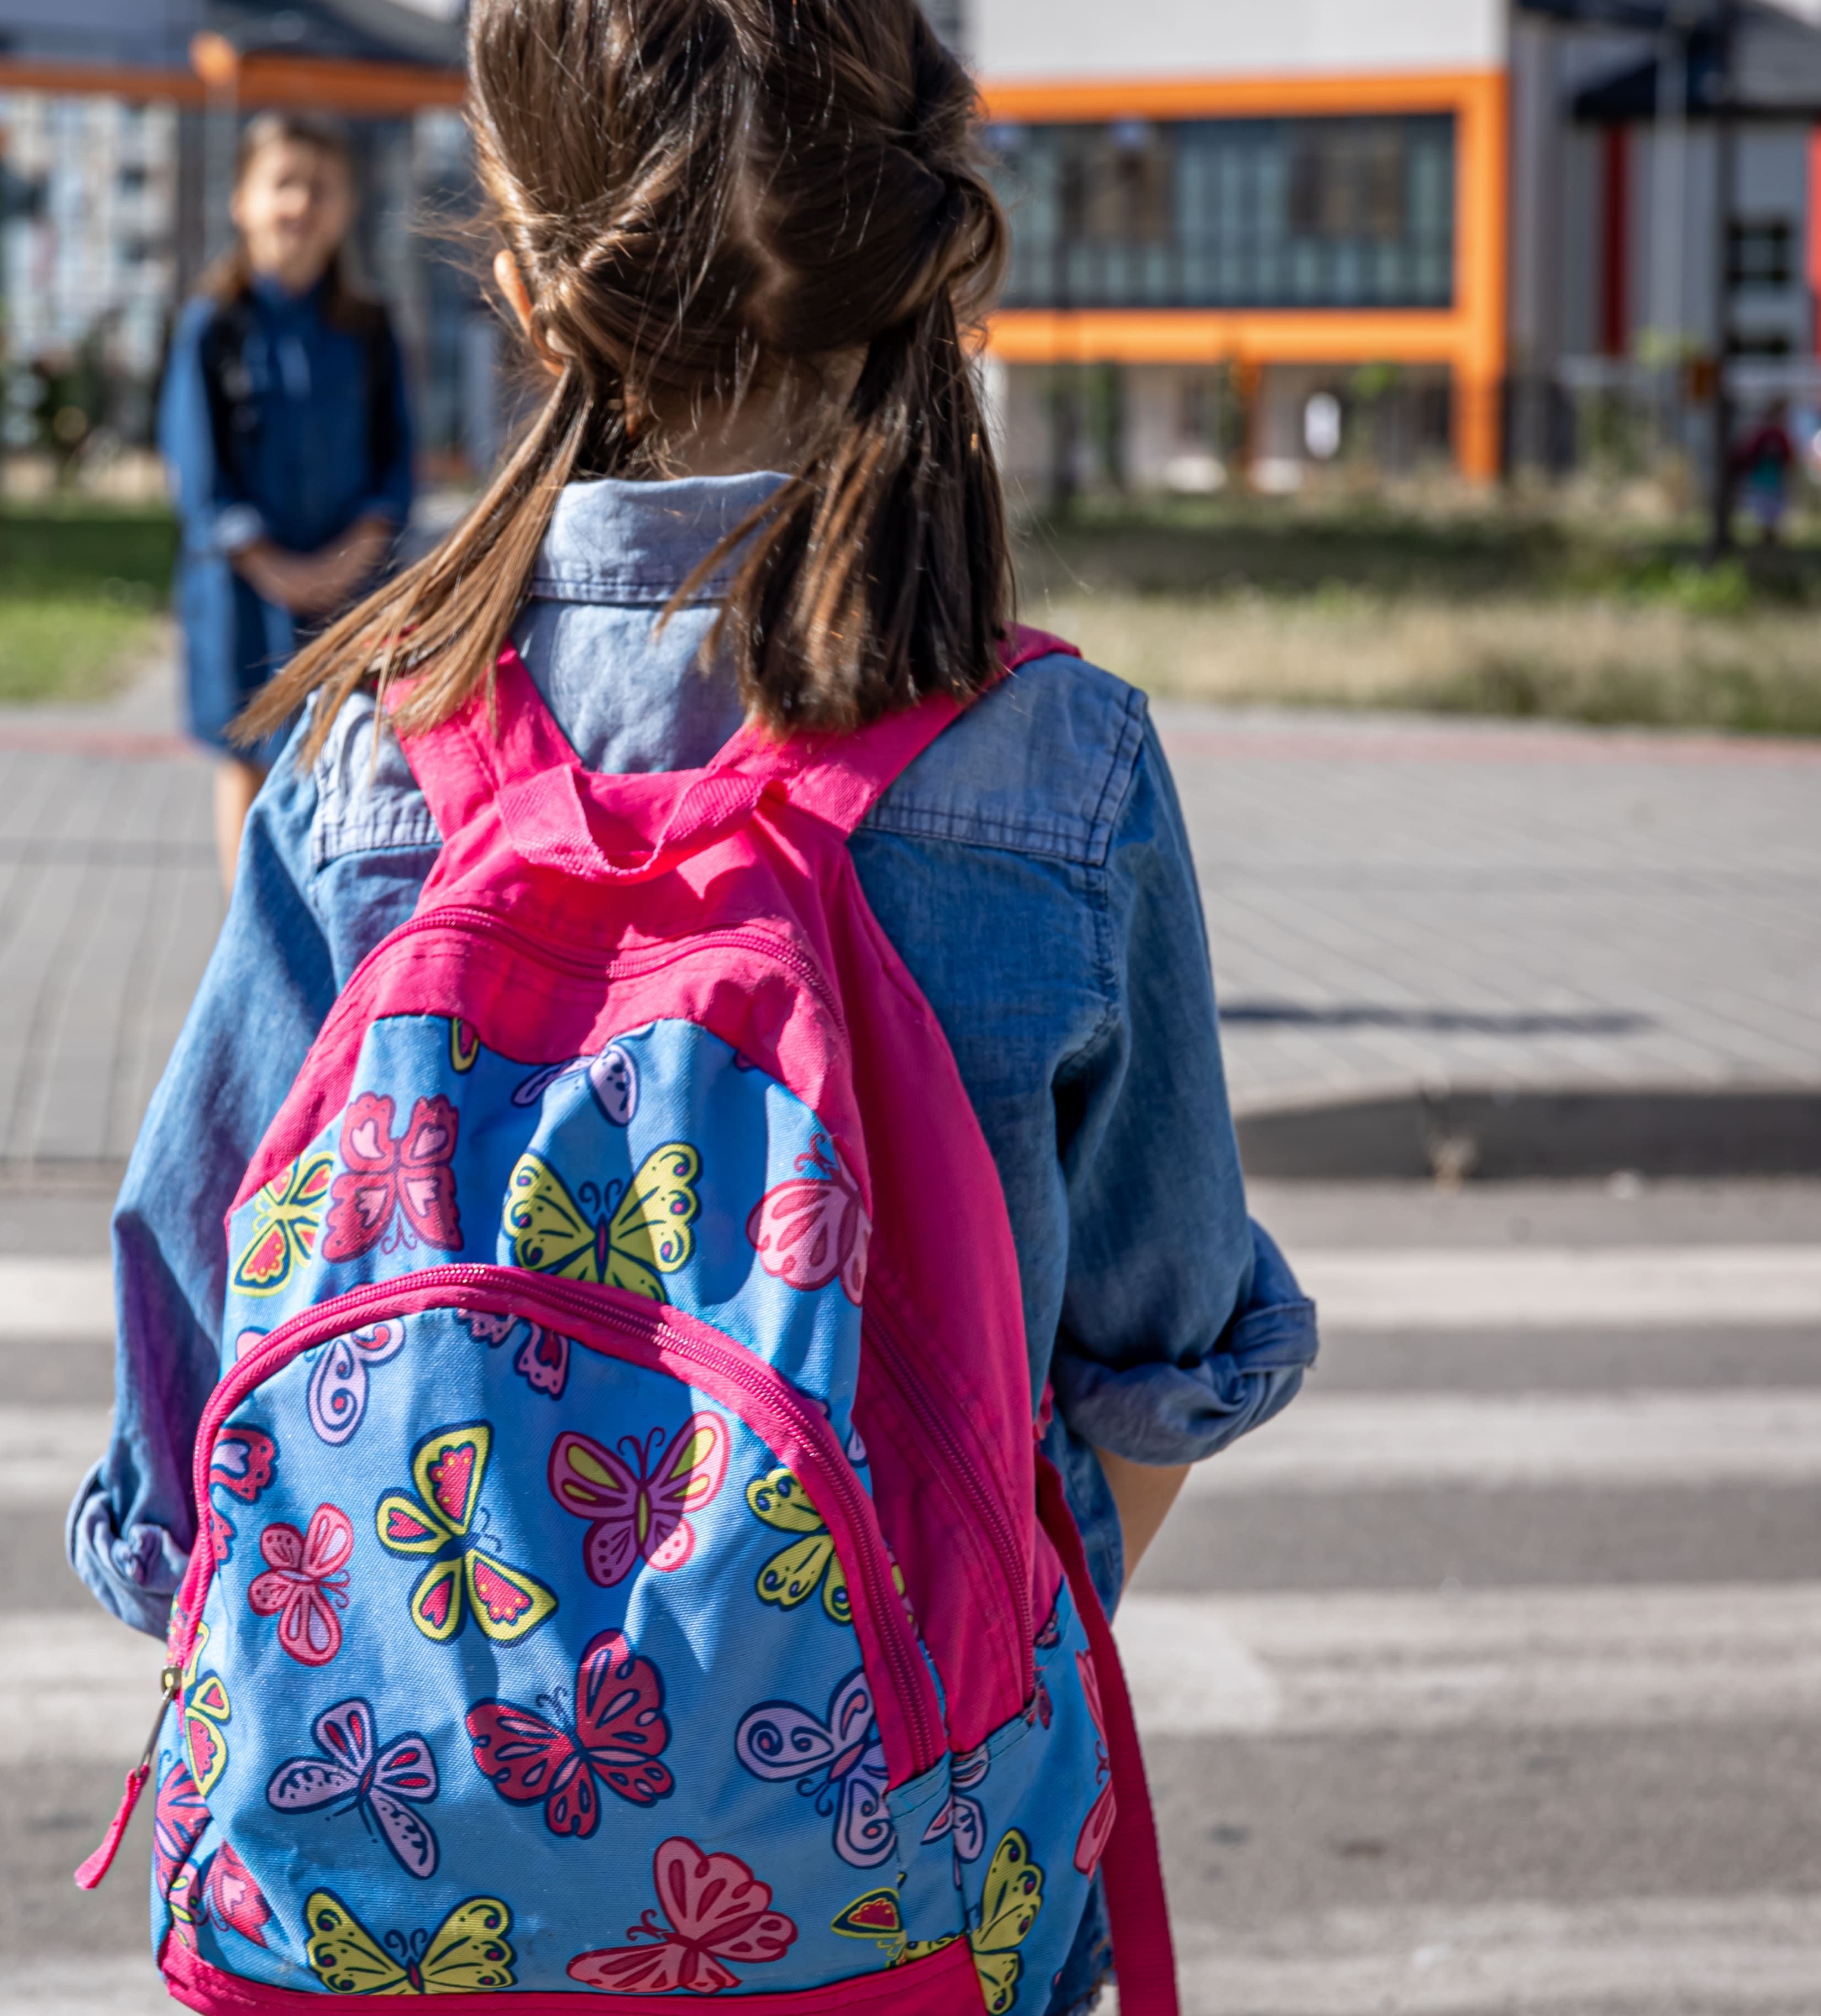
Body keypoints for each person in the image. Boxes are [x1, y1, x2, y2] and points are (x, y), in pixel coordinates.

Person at [75, 2, 1313, 2007]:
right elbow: (1155, 1355)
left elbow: (186, 1342)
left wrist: (446, 1760)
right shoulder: (1050, 763)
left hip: (372, 1892)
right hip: (894, 1892)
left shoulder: (375, 752)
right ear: (908, 230)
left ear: (515, 261)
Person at [160, 113, 414, 885]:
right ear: (242, 200)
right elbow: (197, 468)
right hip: (243, 593)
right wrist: (273, 568)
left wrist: (352, 560)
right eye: (283, 184)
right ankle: (252, 936)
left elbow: (397, 462)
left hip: (350, 595)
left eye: (321, 187)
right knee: (248, 761)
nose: (301, 203)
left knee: (346, 758)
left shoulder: (369, 330)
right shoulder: (213, 327)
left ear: (346, 207)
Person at [1734, 401, 1797, 545]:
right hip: (1763, 476)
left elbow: (1788, 457)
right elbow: (1751, 454)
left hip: (1774, 478)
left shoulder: (1781, 436)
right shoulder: (1763, 435)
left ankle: (1771, 533)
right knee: (1763, 506)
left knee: (1773, 507)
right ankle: (1766, 533)